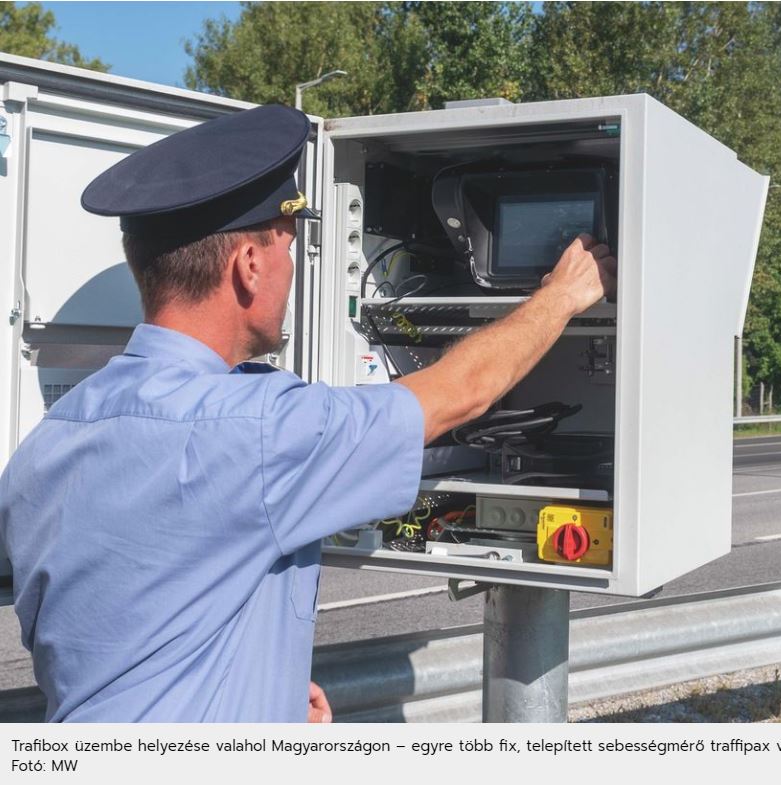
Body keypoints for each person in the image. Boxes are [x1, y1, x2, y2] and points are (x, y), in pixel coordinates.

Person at [0, 104, 616, 722]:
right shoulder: (259, 431)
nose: (294, 270)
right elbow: (464, 391)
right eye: (289, 247)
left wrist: (260, 691)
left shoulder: (49, 440)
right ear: (249, 265)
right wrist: (562, 295)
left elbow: (142, 621)